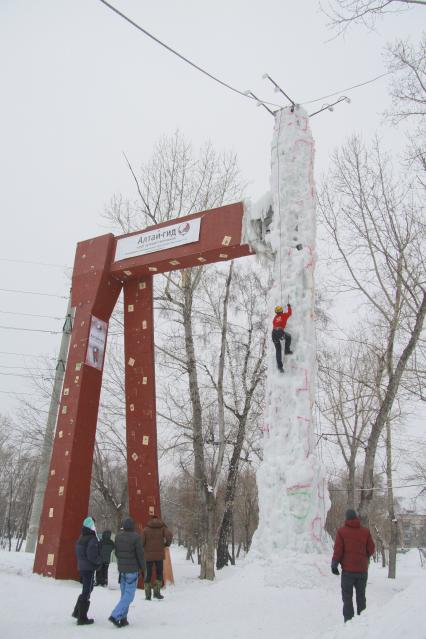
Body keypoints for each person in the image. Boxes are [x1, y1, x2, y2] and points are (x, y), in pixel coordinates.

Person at [331, 509, 375, 623]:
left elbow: (338, 550)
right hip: (362, 571)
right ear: (356, 518)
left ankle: (349, 622)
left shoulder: (342, 532)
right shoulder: (365, 532)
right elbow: (371, 549)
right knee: (361, 596)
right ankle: (362, 620)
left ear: (346, 518)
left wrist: (334, 564)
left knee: (347, 597)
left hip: (348, 572)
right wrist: (364, 556)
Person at [109, 517, 145, 628]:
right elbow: (140, 554)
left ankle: (123, 618)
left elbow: (117, 553)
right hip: (132, 570)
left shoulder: (118, 537)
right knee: (129, 596)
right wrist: (143, 568)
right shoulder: (136, 538)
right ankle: (115, 615)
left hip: (122, 569)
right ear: (132, 526)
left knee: (124, 595)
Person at [73, 515, 102, 626]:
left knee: (87, 588)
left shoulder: (81, 537)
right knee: (87, 590)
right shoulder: (91, 538)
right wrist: (99, 561)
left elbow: (79, 551)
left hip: (82, 566)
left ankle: (77, 612)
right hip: (89, 567)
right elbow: (92, 555)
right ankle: (82, 617)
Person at [141, 514, 173, 600]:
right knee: (159, 573)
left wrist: (144, 547)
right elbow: (169, 535)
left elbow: (141, 542)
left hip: (148, 556)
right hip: (159, 555)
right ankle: (157, 593)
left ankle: (148, 595)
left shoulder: (146, 529)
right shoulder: (162, 527)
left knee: (148, 574)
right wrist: (166, 544)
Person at [272, 303, 293, 373]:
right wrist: (289, 306)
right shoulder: (284, 315)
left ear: (276, 312)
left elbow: (274, 324)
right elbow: (290, 313)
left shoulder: (275, 318)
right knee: (289, 337)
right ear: (281, 311)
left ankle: (279, 367)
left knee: (278, 350)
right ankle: (287, 350)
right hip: (279, 332)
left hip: (274, 333)